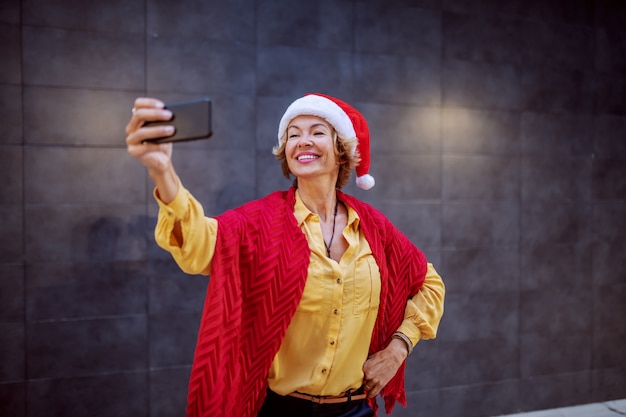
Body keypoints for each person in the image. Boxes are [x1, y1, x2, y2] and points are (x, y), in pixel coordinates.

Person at [125, 93, 445, 417]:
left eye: (317, 132)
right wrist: (163, 173)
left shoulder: (373, 228)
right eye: (293, 134)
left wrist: (398, 348)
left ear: (342, 150)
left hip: (355, 409)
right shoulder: (259, 222)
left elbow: (430, 284)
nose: (303, 141)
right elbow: (197, 244)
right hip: (281, 410)